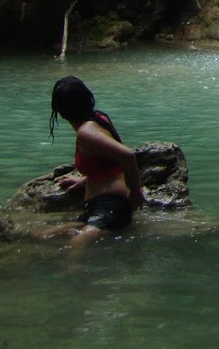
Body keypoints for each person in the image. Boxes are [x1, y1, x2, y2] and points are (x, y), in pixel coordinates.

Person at [43, 75, 145, 248]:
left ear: (61, 110)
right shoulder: (99, 117)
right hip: (100, 206)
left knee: (75, 246)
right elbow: (110, 162)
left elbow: (127, 155)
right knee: (43, 234)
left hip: (111, 205)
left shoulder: (87, 133)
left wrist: (136, 194)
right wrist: (85, 180)